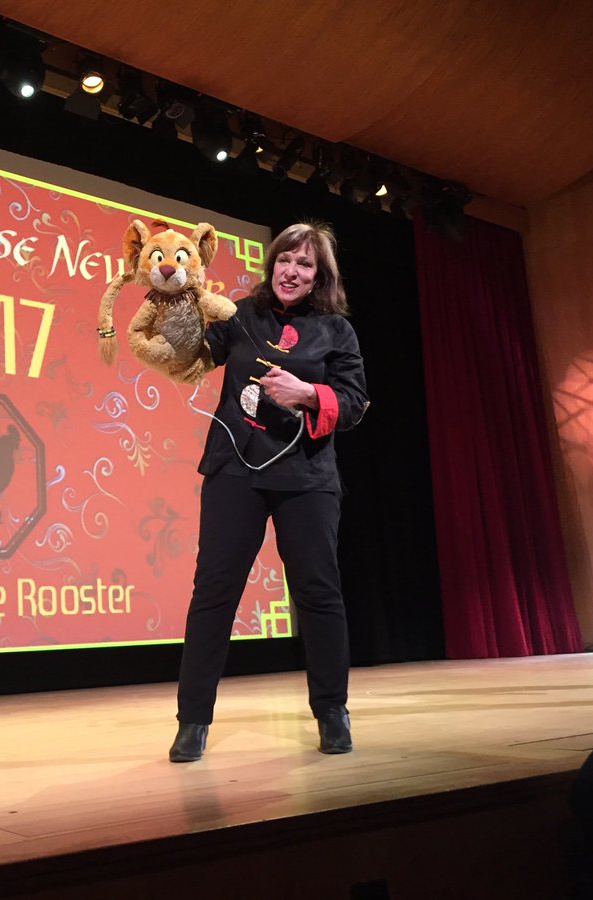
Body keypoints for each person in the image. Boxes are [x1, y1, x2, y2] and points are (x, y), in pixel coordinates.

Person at [169, 222, 370, 762]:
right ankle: (193, 721)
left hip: (307, 477)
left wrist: (309, 393)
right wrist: (176, 295)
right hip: (236, 470)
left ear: (318, 277)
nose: (292, 271)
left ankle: (332, 710)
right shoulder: (239, 316)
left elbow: (353, 403)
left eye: (305, 265)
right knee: (214, 594)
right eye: (286, 260)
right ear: (271, 264)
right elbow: (189, 352)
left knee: (318, 593)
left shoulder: (336, 331)